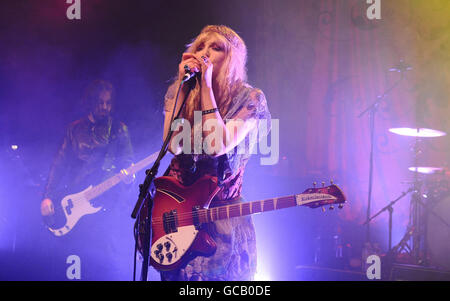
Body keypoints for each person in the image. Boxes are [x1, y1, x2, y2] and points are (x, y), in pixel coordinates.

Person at [161, 25, 271, 281]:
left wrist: (208, 87)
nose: (204, 53)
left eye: (216, 47)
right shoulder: (180, 93)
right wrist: (181, 88)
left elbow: (216, 145)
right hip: (181, 217)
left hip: (223, 220)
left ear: (232, 58)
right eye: (200, 46)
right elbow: (173, 144)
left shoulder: (250, 98)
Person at [40, 79, 135, 280]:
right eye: (100, 102)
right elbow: (58, 164)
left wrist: (129, 177)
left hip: (107, 203)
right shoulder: (74, 129)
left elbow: (128, 161)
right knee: (74, 259)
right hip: (75, 203)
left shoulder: (118, 128)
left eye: (108, 103)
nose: (104, 107)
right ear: (91, 102)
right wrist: (47, 196)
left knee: (106, 259)